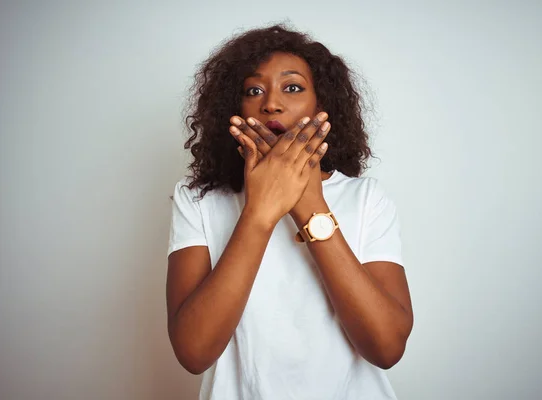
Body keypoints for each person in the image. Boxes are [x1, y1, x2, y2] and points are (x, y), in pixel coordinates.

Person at [166, 23, 413, 400]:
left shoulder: (367, 198)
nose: (271, 104)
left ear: (322, 105)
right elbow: (194, 352)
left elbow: (386, 348)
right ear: (234, 109)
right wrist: (260, 210)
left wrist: (307, 202)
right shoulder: (197, 200)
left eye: (293, 87)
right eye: (253, 90)